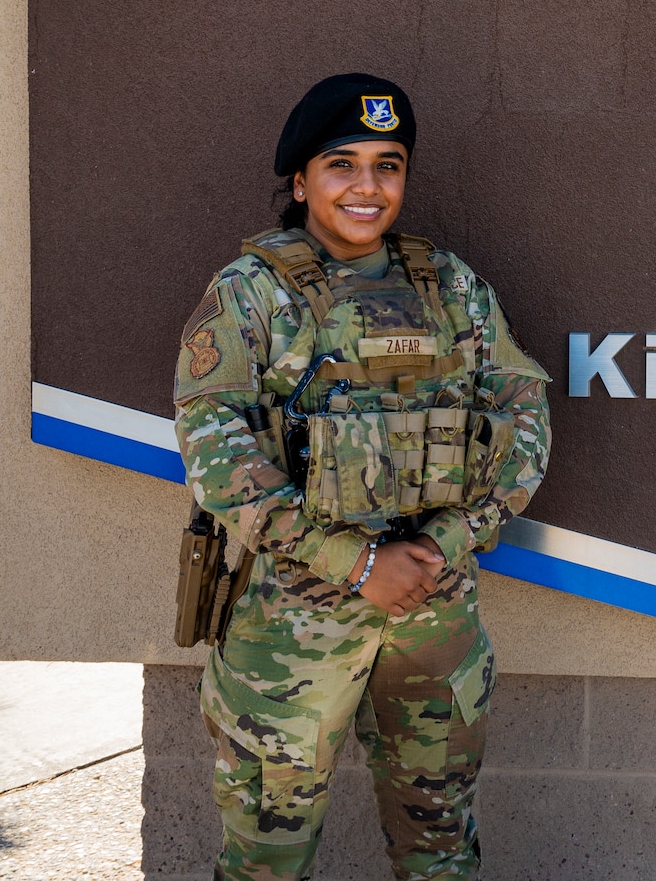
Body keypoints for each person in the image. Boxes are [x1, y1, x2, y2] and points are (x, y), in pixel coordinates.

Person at [173, 73, 552, 880]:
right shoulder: (252, 294)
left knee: (441, 855)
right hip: (293, 632)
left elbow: (524, 415)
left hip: (435, 617)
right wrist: (360, 565)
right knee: (265, 862)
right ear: (302, 179)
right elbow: (216, 452)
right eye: (342, 164)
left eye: (388, 164)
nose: (367, 186)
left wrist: (449, 537)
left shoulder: (450, 287)